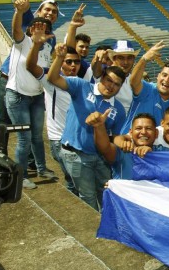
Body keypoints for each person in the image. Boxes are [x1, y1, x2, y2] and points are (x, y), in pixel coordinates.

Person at [47, 43, 127, 211]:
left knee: (106, 191)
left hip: (100, 157)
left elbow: (117, 137)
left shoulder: (118, 109)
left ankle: (108, 224)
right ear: (102, 77)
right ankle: (95, 231)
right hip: (75, 153)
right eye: (108, 80)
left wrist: (128, 142)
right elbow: (52, 78)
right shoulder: (81, 86)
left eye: (117, 84)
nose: (111, 86)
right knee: (87, 195)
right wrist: (59, 57)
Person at [5, 0, 57, 189]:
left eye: (45, 28)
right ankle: (21, 176)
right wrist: (19, 12)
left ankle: (42, 168)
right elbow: (16, 29)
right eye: (37, 26)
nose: (40, 30)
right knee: (24, 138)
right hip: (17, 96)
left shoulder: (48, 47)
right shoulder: (22, 41)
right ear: (30, 28)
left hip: (36, 96)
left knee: (36, 136)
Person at [26, 21, 80, 194]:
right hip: (60, 139)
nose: (73, 66)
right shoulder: (51, 80)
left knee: (77, 180)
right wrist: (36, 45)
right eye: (69, 62)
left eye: (76, 63)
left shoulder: (81, 82)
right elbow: (30, 67)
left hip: (77, 138)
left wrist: (73, 28)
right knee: (74, 180)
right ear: (61, 63)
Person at [120, 41, 169, 133]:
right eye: (164, 75)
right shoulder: (148, 89)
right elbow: (133, 82)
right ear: (158, 76)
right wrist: (144, 59)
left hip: (154, 146)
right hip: (129, 143)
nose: (167, 80)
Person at [87, 110, 156, 180]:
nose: (143, 132)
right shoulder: (123, 152)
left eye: (148, 128)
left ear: (156, 133)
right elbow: (105, 148)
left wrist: (151, 154)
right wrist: (99, 126)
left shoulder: (164, 153)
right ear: (131, 133)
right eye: (138, 128)